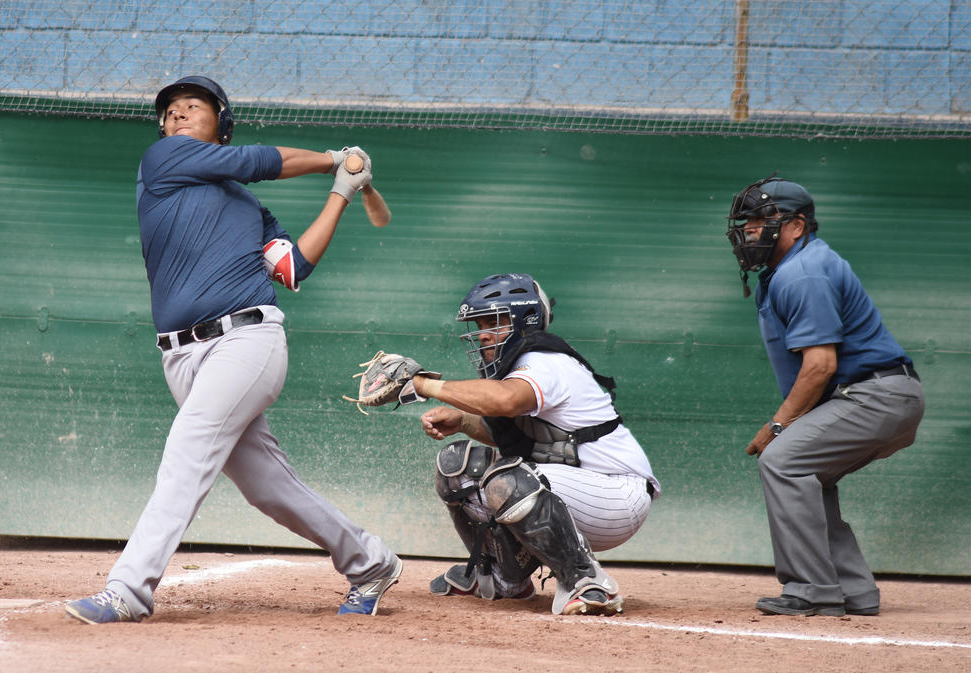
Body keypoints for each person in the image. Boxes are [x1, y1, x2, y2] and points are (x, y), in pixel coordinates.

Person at [65, 76, 401, 623]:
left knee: (187, 451)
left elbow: (292, 267)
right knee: (270, 489)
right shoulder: (163, 160)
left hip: (247, 340)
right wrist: (333, 160)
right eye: (170, 110)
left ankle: (128, 590)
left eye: (192, 106)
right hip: (181, 356)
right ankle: (371, 562)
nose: (177, 115)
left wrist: (342, 190)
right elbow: (257, 160)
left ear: (221, 122)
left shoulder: (247, 208)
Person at [725, 176, 925, 617]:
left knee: (783, 461)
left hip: (876, 394)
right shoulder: (792, 268)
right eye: (747, 221)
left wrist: (778, 426)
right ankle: (853, 590)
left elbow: (820, 366)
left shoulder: (804, 273)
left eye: (762, 219)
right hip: (878, 394)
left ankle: (812, 589)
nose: (751, 229)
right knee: (808, 474)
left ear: (796, 226)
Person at [402, 273, 659, 615]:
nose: (483, 334)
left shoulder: (544, 362)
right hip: (574, 488)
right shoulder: (519, 366)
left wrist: (423, 385)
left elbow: (505, 401)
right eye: (479, 325)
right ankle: (503, 577)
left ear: (525, 321)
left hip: (617, 496)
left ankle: (586, 581)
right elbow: (522, 437)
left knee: (509, 480)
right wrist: (462, 422)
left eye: (493, 322)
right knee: (457, 467)